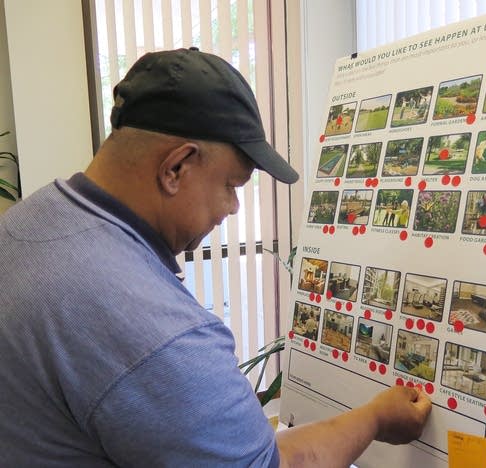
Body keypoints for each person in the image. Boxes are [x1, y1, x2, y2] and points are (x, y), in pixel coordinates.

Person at [0, 48, 431, 467]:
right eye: (232, 185)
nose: (233, 208)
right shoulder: (153, 329)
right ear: (176, 168)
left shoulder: (29, 221)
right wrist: (376, 418)